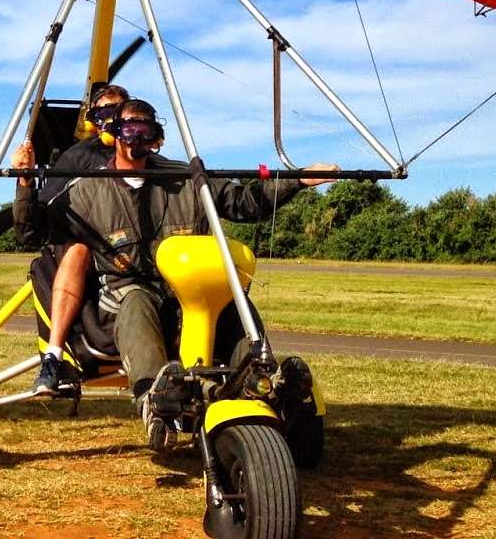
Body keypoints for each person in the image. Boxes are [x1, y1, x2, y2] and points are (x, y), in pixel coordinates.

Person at [61, 98, 333, 448]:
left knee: (233, 301)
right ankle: (153, 400)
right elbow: (38, 232)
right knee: (137, 300)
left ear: (155, 136)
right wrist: (24, 186)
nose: (136, 137)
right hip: (130, 301)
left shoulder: (188, 180)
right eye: (128, 128)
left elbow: (243, 201)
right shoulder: (87, 190)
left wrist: (295, 181)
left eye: (144, 128)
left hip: (187, 297)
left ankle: (262, 381)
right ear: (114, 133)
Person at [10, 83, 128, 397]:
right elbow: (32, 230)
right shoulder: (79, 158)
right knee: (77, 250)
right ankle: (54, 357)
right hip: (94, 252)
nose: (111, 121)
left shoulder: (148, 157)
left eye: (119, 113)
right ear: (94, 120)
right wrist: (25, 181)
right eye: (103, 113)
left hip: (137, 251)